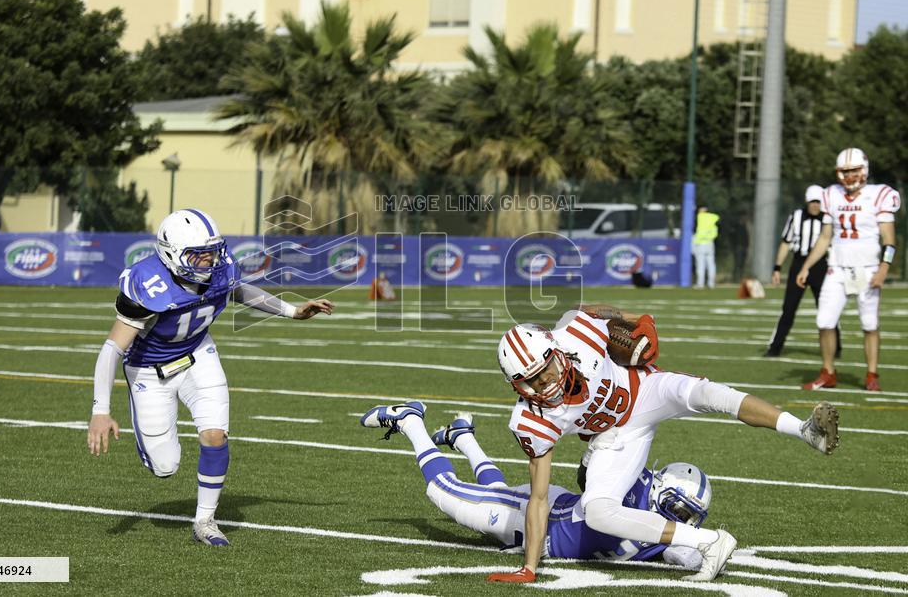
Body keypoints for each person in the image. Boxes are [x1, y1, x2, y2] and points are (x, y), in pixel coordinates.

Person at [487, 304, 838, 584]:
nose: (544, 382)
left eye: (545, 369)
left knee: (705, 392)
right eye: (530, 380)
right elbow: (538, 498)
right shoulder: (531, 420)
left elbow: (604, 313)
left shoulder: (579, 332)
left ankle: (804, 430)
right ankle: (710, 542)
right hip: (616, 437)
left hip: (644, 390)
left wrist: (641, 322)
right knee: (597, 511)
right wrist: (529, 568)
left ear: (556, 350)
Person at [87, 208, 334, 546]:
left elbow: (237, 290)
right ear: (171, 254)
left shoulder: (219, 268)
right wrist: (100, 410)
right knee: (165, 466)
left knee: (215, 435)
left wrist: (291, 311)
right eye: (197, 254)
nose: (208, 260)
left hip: (198, 355)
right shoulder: (148, 283)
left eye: (211, 252)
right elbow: (112, 348)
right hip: (150, 369)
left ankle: (205, 521)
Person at [360, 403, 711, 570]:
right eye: (679, 508)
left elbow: (686, 553)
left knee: (497, 491)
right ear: (659, 489)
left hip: (547, 516)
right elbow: (589, 479)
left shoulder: (660, 532)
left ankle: (462, 437)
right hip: (538, 518)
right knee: (442, 490)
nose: (681, 519)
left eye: (688, 515)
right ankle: (410, 420)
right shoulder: (634, 489)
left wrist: (698, 543)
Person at [796, 148, 900, 392]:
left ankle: (872, 375)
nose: (850, 175)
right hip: (837, 267)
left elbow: (889, 240)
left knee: (869, 323)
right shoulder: (831, 194)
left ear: (864, 170)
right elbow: (825, 237)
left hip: (868, 267)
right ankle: (828, 373)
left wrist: (884, 268)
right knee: (824, 321)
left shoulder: (879, 195)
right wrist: (806, 266)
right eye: (845, 171)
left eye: (854, 170)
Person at [765, 185, 841, 358]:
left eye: (818, 202)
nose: (815, 205)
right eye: (812, 202)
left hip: (821, 265)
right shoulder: (796, 216)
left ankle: (836, 348)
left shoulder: (828, 218)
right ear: (807, 202)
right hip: (799, 263)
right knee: (788, 308)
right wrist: (777, 267)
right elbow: (786, 242)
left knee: (828, 308)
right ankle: (775, 347)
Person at [692, 206, 719, 289]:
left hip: (701, 243)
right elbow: (715, 233)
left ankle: (700, 283)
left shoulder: (701, 218)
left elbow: (698, 232)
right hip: (710, 243)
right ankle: (711, 283)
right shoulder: (712, 220)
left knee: (700, 264)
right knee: (711, 264)